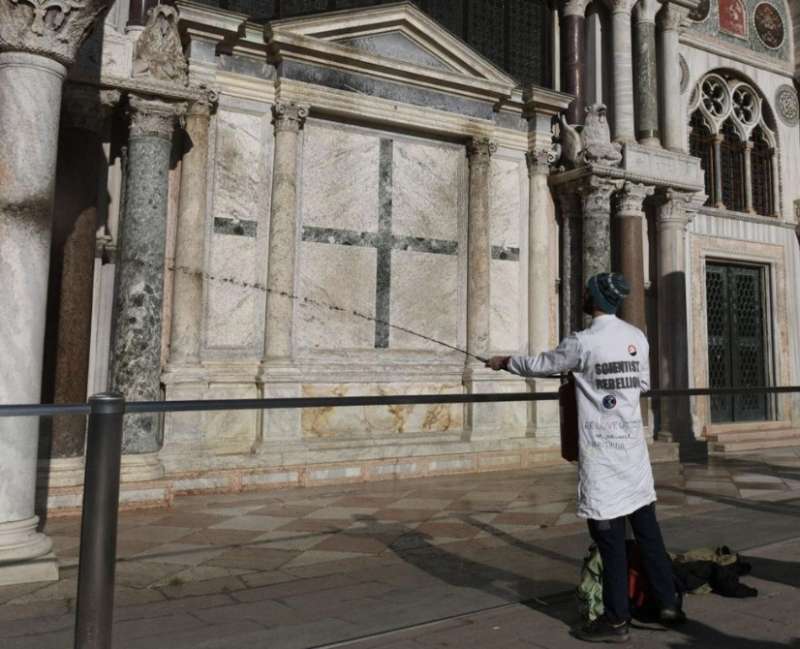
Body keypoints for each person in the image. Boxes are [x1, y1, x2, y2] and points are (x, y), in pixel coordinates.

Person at [486, 272, 684, 644]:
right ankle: (668, 604)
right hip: (633, 454)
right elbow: (642, 384)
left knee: (610, 542)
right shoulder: (635, 337)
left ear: (592, 299)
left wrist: (503, 361)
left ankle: (616, 619)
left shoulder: (583, 342)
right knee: (648, 532)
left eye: (585, 291)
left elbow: (541, 364)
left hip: (603, 457)